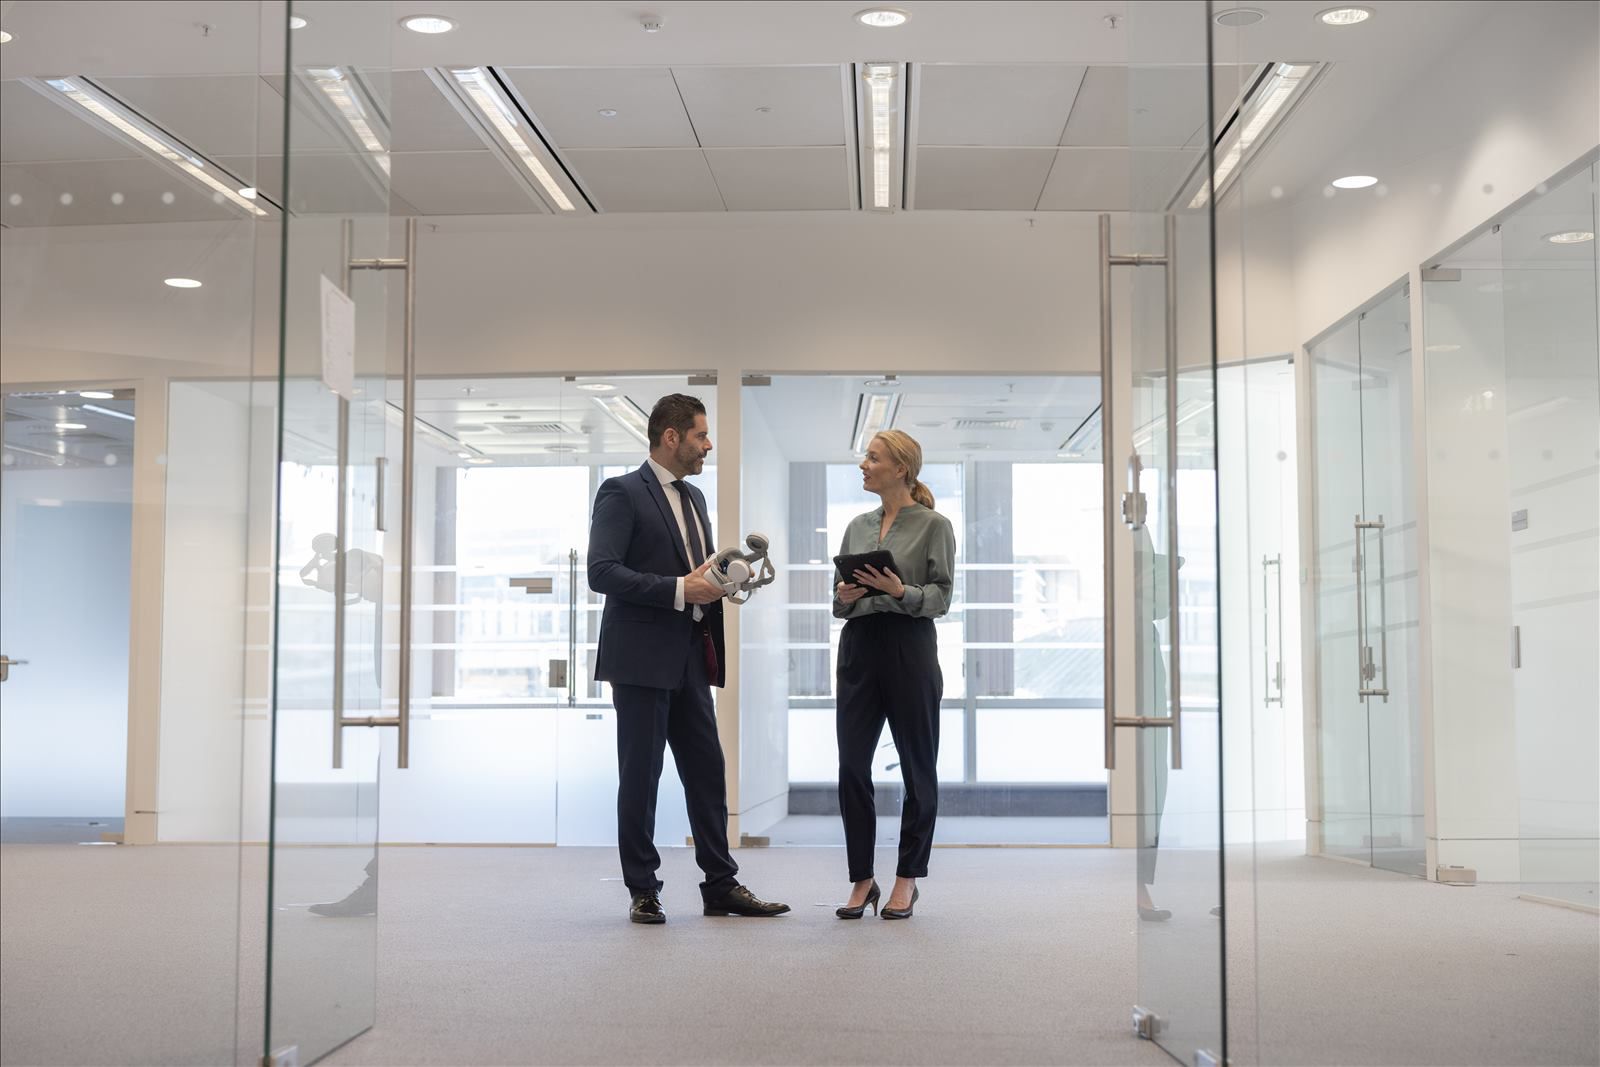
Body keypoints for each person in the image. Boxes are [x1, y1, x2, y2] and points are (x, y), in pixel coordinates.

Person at [587, 393, 790, 925]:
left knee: (706, 773)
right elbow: (601, 572)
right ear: (671, 437)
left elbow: (696, 572)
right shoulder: (621, 492)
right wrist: (681, 589)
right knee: (642, 778)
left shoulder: (695, 498)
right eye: (700, 435)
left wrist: (723, 579)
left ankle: (720, 885)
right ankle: (643, 889)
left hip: (692, 657)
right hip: (639, 661)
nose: (708, 444)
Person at [831, 430, 955, 920]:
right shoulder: (856, 526)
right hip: (859, 648)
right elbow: (838, 598)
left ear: (900, 469)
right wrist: (842, 598)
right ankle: (862, 878)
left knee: (917, 769)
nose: (864, 464)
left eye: (873, 457)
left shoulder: (934, 525)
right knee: (850, 768)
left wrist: (901, 591)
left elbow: (941, 597)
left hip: (910, 648)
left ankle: (907, 879)